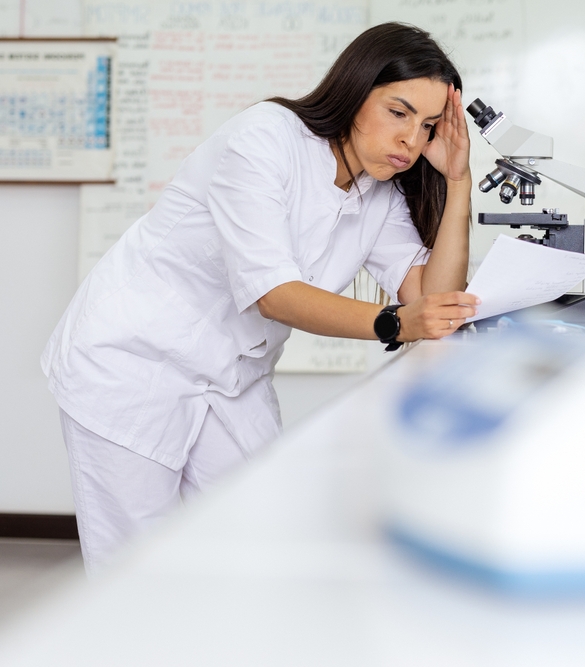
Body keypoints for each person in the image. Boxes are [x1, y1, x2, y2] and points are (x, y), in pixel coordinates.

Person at [41, 22, 478, 574]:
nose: (412, 141)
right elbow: (274, 295)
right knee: (136, 572)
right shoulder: (264, 139)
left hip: (230, 381)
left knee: (262, 545)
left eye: (430, 126)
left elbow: (435, 301)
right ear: (354, 90)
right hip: (132, 363)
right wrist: (394, 322)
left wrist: (458, 181)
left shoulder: (378, 192)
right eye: (398, 112)